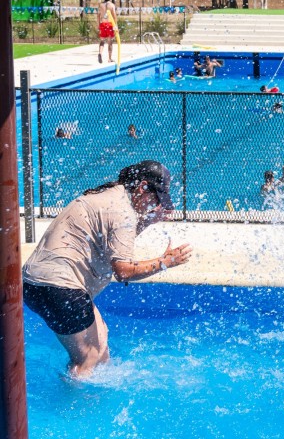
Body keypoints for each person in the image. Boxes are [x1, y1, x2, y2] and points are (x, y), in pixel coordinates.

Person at [22, 161, 191, 376]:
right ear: (142, 187)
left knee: (101, 347)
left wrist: (147, 221)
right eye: (155, 198)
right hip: (60, 288)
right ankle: (75, 407)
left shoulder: (112, 195)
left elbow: (111, 242)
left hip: (39, 283)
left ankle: (82, 394)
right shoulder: (124, 213)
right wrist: (165, 261)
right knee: (88, 358)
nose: (153, 204)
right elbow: (124, 271)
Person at [96, 0, 117, 64]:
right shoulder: (112, 5)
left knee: (102, 41)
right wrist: (115, 26)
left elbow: (98, 16)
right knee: (110, 42)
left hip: (102, 24)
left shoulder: (100, 5)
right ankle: (109, 58)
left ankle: (100, 53)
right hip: (110, 25)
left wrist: (98, 25)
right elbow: (114, 16)